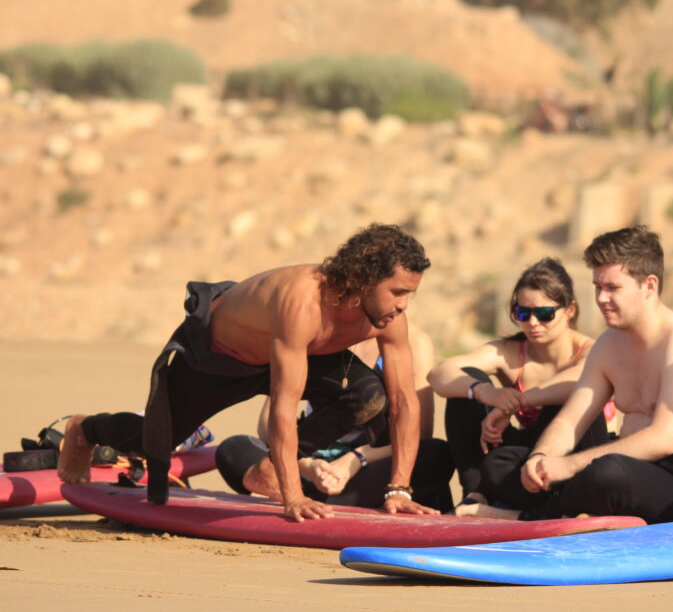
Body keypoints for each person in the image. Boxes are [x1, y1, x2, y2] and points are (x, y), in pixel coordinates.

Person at [58, 223, 437, 521]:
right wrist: (293, 496)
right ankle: (85, 428)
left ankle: (269, 468)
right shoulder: (305, 300)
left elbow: (403, 402)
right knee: (153, 442)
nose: (404, 305)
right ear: (364, 279)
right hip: (219, 357)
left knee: (368, 396)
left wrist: (399, 490)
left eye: (410, 295)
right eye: (397, 292)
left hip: (291, 351)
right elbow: (283, 407)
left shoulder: (386, 318)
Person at [465, 226, 673, 524]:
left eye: (613, 288)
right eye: (597, 287)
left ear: (649, 285)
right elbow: (571, 420)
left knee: (607, 472)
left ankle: (526, 517)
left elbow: (664, 439)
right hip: (630, 473)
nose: (601, 298)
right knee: (501, 464)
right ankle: (570, 511)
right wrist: (540, 459)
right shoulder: (609, 344)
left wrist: (569, 467)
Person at [427, 258, 610, 513]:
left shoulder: (593, 350)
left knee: (571, 400)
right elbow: (439, 372)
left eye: (545, 314)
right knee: (467, 382)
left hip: (572, 461)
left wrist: (515, 402)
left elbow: (582, 378)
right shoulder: (509, 352)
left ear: (570, 310)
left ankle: (539, 513)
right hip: (523, 460)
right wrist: (486, 392)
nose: (533, 323)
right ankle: (476, 495)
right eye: (523, 313)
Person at [215, 322, 454, 511]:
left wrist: (354, 461)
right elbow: (268, 423)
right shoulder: (314, 335)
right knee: (233, 448)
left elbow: (419, 433)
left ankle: (320, 502)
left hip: (370, 465)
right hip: (309, 463)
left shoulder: (413, 341)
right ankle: (322, 501)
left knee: (436, 454)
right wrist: (307, 465)